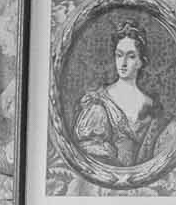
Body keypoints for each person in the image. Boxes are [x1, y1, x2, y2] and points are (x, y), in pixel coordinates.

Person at [72, 25, 170, 170]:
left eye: (130, 56)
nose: (123, 63)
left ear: (140, 62)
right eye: (119, 55)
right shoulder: (98, 103)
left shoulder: (152, 104)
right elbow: (90, 159)